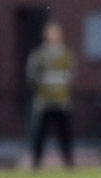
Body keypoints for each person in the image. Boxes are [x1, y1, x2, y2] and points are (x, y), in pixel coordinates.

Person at [27, 20, 76, 169]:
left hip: (62, 100)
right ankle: (36, 162)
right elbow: (31, 75)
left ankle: (68, 162)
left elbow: (71, 75)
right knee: (40, 133)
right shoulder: (39, 54)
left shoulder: (66, 54)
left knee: (64, 133)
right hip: (44, 100)